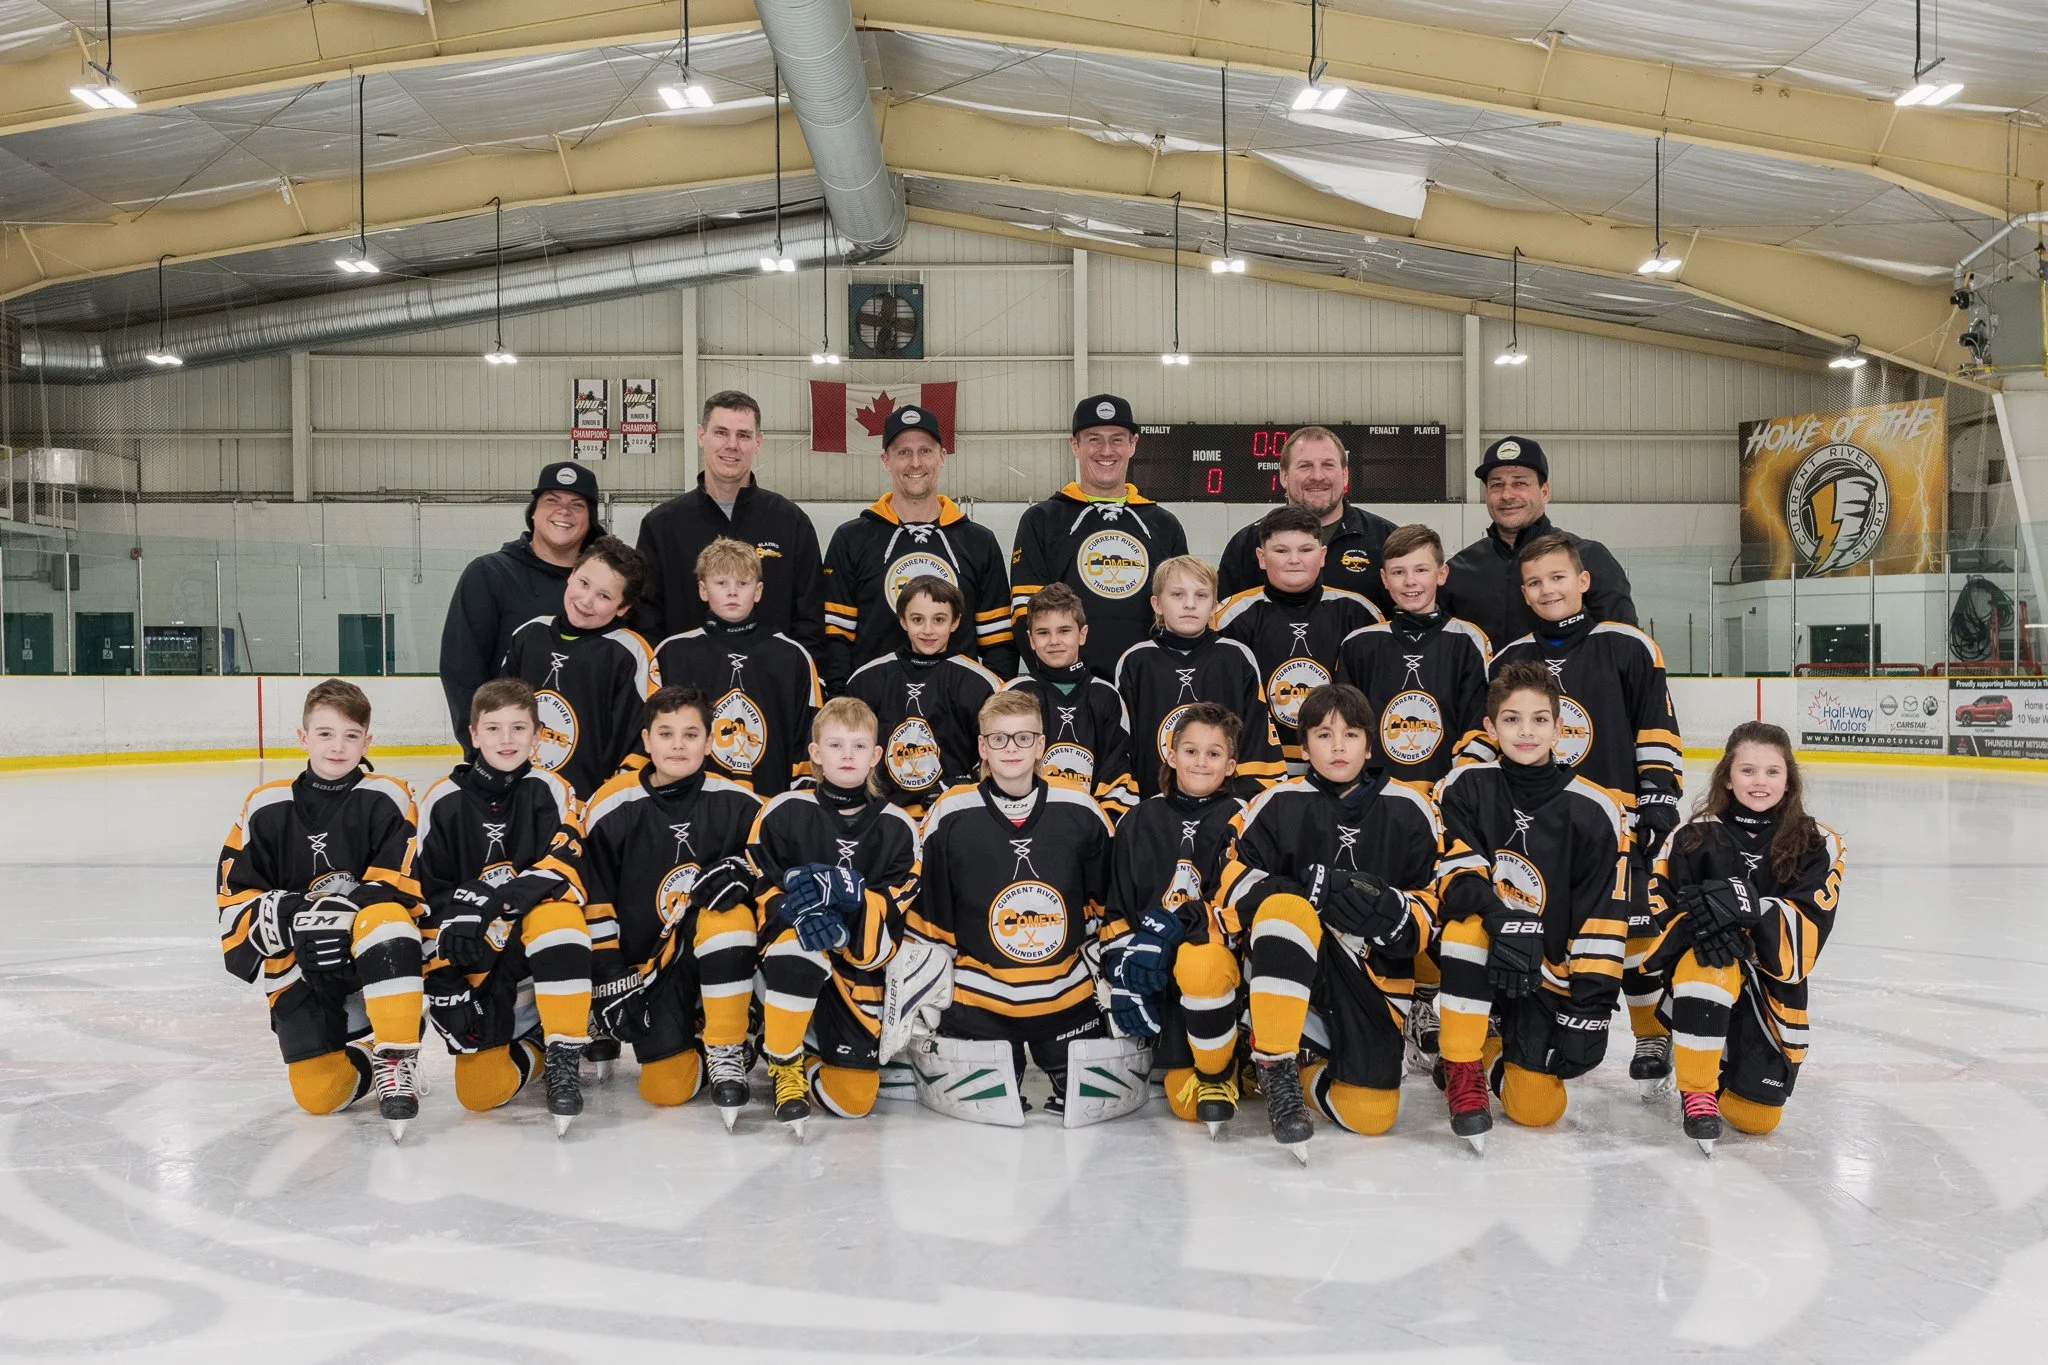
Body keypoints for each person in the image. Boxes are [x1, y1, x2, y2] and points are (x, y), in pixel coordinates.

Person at [1478, 531, 1682, 1089]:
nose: (1548, 590)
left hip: (1616, 823)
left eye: (1558, 578)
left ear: (1583, 581)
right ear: (1523, 592)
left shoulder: (1628, 645)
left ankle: (1650, 1032)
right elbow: (1486, 735)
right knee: (1537, 924)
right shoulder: (1510, 658)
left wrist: (1658, 797)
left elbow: (1656, 726)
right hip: (1536, 829)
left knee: (1633, 931)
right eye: (1534, 582)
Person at [1215, 684, 1443, 1162]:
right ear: (1304, 747)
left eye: (1351, 734)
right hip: (1290, 967)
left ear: (1370, 745)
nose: (1338, 746)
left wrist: (1395, 914)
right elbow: (1231, 883)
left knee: (1371, 1115)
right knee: (1286, 909)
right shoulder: (1277, 802)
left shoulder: (1411, 807)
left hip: (1372, 976)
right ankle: (1275, 1063)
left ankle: (1306, 1074)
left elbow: (1434, 899)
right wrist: (1312, 893)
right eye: (1323, 735)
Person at [900, 690, 1132, 1126]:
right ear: (982, 746)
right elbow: (932, 920)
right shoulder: (950, 814)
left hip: (1068, 1001)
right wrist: (926, 997)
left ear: (1041, 745)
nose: (1012, 748)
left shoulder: (1080, 809)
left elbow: (1107, 911)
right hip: (978, 1004)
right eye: (999, 739)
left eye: (1023, 738)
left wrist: (1115, 981)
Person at [1430, 661, 1630, 1152]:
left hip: (1542, 975)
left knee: (1537, 1110)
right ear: (1490, 727)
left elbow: (1602, 917)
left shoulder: (1596, 809)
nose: (1526, 731)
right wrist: (1502, 920)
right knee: (1465, 929)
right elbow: (1454, 875)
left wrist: (1590, 1010)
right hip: (1477, 956)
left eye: (1540, 720)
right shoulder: (1463, 786)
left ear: (1560, 729)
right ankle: (1462, 1063)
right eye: (1512, 719)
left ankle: (1493, 1047)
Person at [214, 679, 426, 1141]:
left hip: (364, 957)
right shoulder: (264, 805)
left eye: (351, 735)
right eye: (325, 734)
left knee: (388, 919)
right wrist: (297, 919)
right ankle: (372, 1054)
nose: (337, 746)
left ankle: (396, 1052)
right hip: (300, 960)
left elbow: (402, 884)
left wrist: (334, 915)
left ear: (367, 742)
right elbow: (234, 899)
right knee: (319, 1096)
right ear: (302, 737)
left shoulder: (389, 796)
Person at [1333, 522, 1493, 1076]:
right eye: (1398, 572)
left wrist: (1456, 786)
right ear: (1383, 579)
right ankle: (1387, 1000)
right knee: (1384, 896)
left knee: (1438, 899)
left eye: (1421, 569)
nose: (1410, 581)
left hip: (1443, 803)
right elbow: (1347, 724)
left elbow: (1479, 722)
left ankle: (1426, 999)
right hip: (1382, 802)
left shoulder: (1468, 640)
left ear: (1442, 573)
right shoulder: (1361, 644)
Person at [1644, 723, 1844, 1155]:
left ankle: (1707, 1053)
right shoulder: (1691, 836)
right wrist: (1703, 926)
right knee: (1710, 962)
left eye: (1772, 771)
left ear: (1789, 779)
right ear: (1727, 777)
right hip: (1704, 972)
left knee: (1756, 1120)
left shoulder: (1818, 841)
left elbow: (1809, 930)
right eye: (1748, 770)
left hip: (1770, 986)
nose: (1759, 782)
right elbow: (1665, 911)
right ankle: (1697, 1087)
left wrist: (1744, 911)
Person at [576, 685, 764, 1128]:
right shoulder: (610, 806)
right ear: (646, 740)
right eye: (666, 734)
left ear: (710, 741)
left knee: (729, 914)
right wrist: (608, 972)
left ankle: (729, 1039)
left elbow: (785, 851)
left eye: (690, 734)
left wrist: (749, 869)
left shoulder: (740, 802)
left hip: (721, 961)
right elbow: (594, 896)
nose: (678, 745)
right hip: (653, 972)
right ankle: (695, 1039)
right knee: (665, 1090)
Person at [411, 678, 592, 1135]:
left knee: (559, 915)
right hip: (482, 963)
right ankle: (538, 1043)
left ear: (537, 735)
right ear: (473, 734)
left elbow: (563, 868)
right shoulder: (441, 801)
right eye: (493, 728)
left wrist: (494, 902)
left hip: (536, 955)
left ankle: (565, 1047)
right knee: (480, 1093)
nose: (506, 739)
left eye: (518, 728)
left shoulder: (552, 790)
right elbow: (424, 896)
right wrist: (443, 978)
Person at [746, 697, 923, 1136]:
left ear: (876, 756)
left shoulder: (899, 827)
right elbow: (759, 884)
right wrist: (799, 912)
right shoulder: (783, 810)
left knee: (853, 1101)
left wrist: (844, 926)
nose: (847, 755)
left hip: (856, 975)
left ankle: (806, 1055)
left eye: (859, 746)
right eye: (836, 744)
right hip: (785, 964)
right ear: (815, 753)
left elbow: (893, 915)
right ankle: (783, 1059)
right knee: (799, 945)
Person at [1101, 702, 1248, 1136]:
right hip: (1160, 982)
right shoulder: (1138, 819)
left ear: (1231, 764)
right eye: (1190, 751)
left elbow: (1246, 907)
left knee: (1203, 963)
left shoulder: (1247, 817)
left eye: (1214, 753)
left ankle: (1236, 1056)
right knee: (1185, 1105)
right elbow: (1118, 909)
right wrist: (1124, 973)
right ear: (1171, 754)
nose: (1201, 762)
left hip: (1220, 976)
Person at [821, 404, 1015, 692]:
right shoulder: (851, 539)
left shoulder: (979, 542)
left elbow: (998, 641)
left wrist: (989, 703)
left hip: (958, 710)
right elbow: (835, 637)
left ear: (942, 456)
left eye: (925, 450)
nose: (915, 463)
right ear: (886, 460)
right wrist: (842, 702)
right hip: (873, 709)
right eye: (903, 452)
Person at [1011, 394, 1189, 677]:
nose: (1106, 450)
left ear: (1133, 444)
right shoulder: (1041, 520)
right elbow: (1026, 613)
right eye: (1094, 439)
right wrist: (1057, 681)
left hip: (1148, 684)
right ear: (1075, 445)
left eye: (1117, 439)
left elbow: (1183, 611)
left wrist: (1165, 676)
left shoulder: (1164, 525)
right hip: (1069, 688)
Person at [635, 390, 825, 650]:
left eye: (743, 435)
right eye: (721, 432)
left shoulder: (791, 523)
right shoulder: (661, 526)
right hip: (686, 675)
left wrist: (793, 670)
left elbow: (810, 620)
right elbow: (646, 619)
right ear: (701, 436)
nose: (732, 445)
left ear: (758, 442)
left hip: (771, 675)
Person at [440, 461, 606, 748]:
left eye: (577, 505)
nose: (564, 511)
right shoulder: (489, 574)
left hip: (589, 755)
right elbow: (462, 671)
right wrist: (481, 748)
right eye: (552, 500)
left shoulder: (607, 584)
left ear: (590, 519)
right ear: (533, 512)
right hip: (508, 751)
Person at [1215, 504, 1384, 774]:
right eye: (1281, 551)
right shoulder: (1229, 618)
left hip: (1340, 767)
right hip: (1258, 767)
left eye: (1305, 550)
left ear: (1322, 555)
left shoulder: (1359, 613)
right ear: (1261, 557)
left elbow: (1379, 695)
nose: (1294, 560)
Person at [653, 537, 823, 797]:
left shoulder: (793, 657)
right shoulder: (672, 653)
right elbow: (654, 731)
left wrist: (798, 802)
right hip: (690, 803)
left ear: (758, 591)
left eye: (742, 583)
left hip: (769, 802)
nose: (732, 592)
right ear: (703, 589)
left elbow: (808, 735)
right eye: (721, 583)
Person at [499, 536, 659, 801]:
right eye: (584, 583)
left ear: (623, 607)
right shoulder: (530, 634)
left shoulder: (630, 653)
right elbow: (498, 710)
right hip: (521, 798)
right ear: (571, 574)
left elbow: (645, 729)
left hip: (589, 803)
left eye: (604, 596)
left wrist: (616, 795)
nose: (586, 601)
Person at [1114, 556, 1285, 800]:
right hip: (1155, 805)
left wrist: (1243, 802)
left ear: (1214, 606)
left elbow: (1257, 738)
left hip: (1226, 808)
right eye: (1177, 595)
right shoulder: (1135, 661)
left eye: (1201, 595)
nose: (1190, 604)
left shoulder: (1237, 657)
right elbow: (1122, 745)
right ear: (1157, 604)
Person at [1443, 437, 1637, 649]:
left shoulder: (1588, 557)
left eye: (1520, 483)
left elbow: (1626, 648)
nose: (1507, 495)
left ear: (1544, 492)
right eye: (1497, 485)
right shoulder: (1459, 569)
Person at [843, 575, 1003, 819]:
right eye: (918, 619)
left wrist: (961, 784)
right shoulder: (865, 680)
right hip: (881, 819)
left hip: (955, 815)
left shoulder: (982, 683)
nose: (928, 630)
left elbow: (999, 755)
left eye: (939, 620)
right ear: (903, 620)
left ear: (955, 621)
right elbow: (846, 752)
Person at [1216, 426, 1399, 614]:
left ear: (1345, 475)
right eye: (1305, 466)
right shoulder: (1247, 544)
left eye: (1328, 465)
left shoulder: (1386, 539)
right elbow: (1223, 621)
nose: (1317, 476)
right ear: (1284, 476)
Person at [1003, 583, 1137, 822]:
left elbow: (1118, 774)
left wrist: (1098, 827)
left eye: (1064, 631)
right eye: (1043, 633)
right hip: (1024, 824)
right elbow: (998, 767)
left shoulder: (1106, 696)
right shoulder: (1014, 693)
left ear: (1082, 634)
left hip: (1089, 827)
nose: (1054, 641)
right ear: (1030, 639)